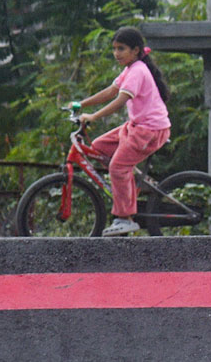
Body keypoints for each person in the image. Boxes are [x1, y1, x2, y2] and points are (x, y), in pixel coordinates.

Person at [73, 27, 173, 237]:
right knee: (99, 147)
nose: (116, 53)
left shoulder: (137, 71)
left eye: (121, 49)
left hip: (150, 130)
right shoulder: (130, 69)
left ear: (135, 50)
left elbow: (120, 100)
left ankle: (125, 218)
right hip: (136, 127)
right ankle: (129, 185)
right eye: (114, 49)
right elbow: (111, 91)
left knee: (118, 167)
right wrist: (81, 104)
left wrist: (93, 116)